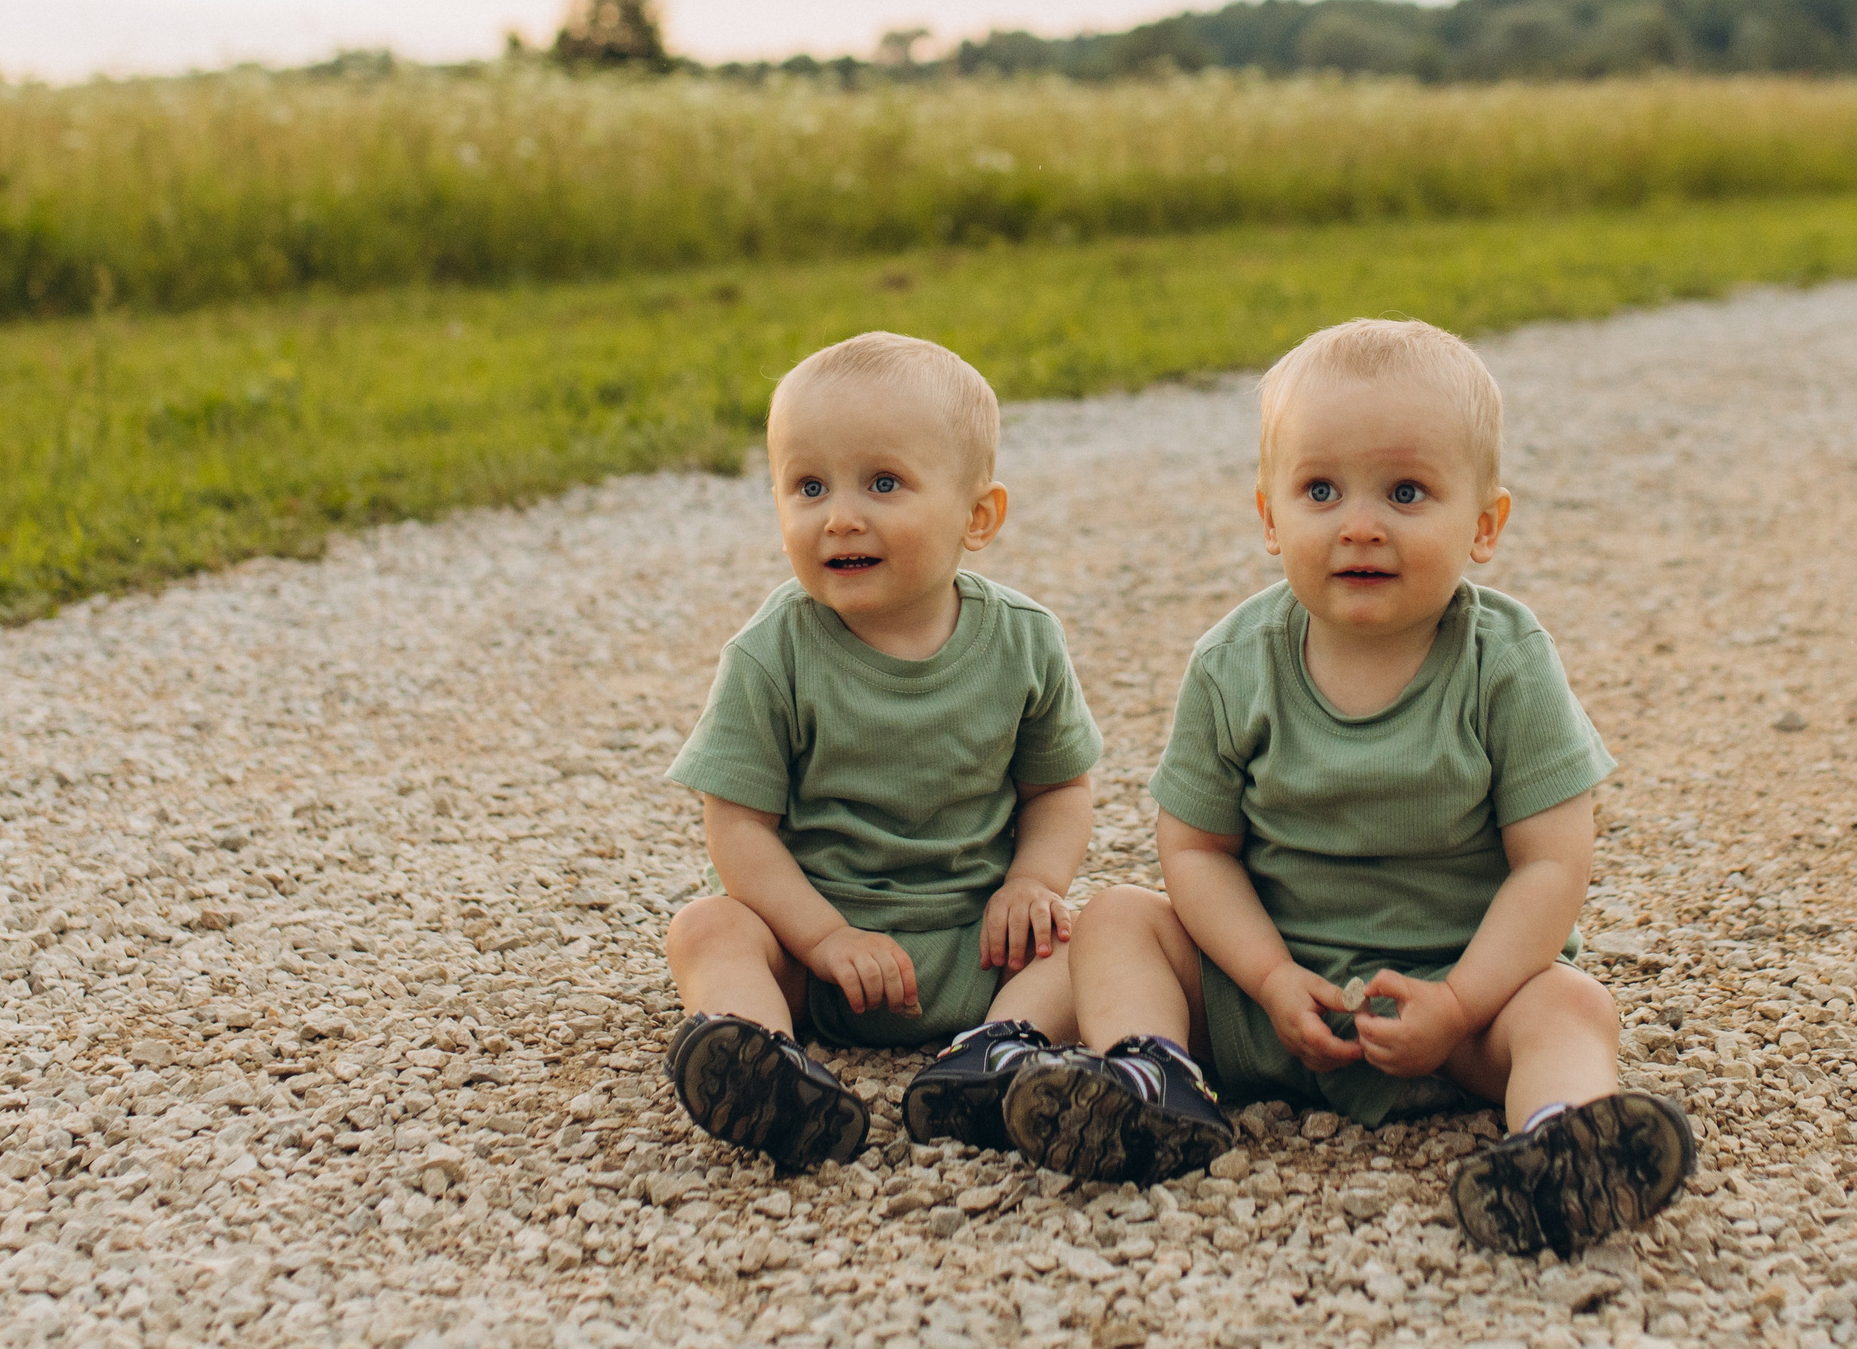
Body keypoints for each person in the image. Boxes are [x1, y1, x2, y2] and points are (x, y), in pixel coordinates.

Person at [1000, 318, 1695, 1255]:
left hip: (1456, 1005)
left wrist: (1460, 1003)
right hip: (1267, 1003)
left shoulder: (1505, 661)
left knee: (1573, 1005)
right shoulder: (1234, 663)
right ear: (1270, 517)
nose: (1359, 524)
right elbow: (1197, 849)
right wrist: (1267, 976)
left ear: (1484, 525)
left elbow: (1551, 864)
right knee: (1120, 919)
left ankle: (1558, 1146)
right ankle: (1152, 1080)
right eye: (1320, 490)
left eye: (1406, 492)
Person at [661, 332, 1100, 1172]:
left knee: (1105, 932)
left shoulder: (1023, 640)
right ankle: (761, 1058)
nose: (840, 516)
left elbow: (1058, 789)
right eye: (808, 486)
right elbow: (739, 825)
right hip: (816, 956)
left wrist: (1032, 883)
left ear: (978, 517)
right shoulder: (773, 650)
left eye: (883, 483)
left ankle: (996, 1053)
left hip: (982, 946)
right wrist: (825, 937)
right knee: (706, 926)